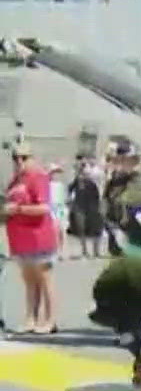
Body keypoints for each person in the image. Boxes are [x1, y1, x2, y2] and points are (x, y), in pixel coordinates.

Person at [5, 141, 59, 334]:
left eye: (24, 157)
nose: (19, 162)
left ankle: (50, 320)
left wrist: (18, 209)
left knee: (44, 279)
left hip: (38, 235)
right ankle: (30, 319)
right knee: (29, 281)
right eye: (15, 158)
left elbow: (44, 207)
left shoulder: (38, 176)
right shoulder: (15, 181)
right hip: (20, 238)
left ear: (32, 158)